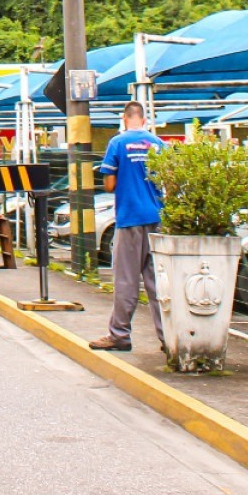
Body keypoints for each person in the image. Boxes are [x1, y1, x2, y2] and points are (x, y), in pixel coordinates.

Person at [90, 101, 166, 352]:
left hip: (129, 218)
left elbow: (109, 185)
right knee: (158, 283)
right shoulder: (158, 144)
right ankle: (169, 338)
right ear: (144, 120)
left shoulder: (117, 143)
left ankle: (119, 335)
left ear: (125, 119)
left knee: (126, 281)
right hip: (156, 218)